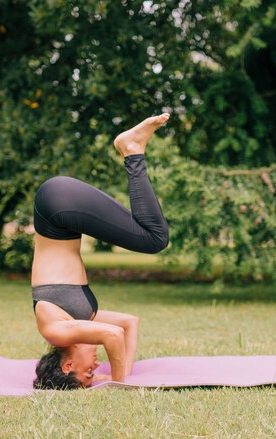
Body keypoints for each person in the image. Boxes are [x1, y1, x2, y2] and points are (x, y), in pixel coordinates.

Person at [31, 113, 171, 389]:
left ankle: (132, 149)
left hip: (57, 209)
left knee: (155, 239)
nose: (96, 368)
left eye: (88, 374)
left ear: (68, 366)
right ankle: (131, 148)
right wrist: (125, 374)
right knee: (154, 237)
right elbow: (128, 325)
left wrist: (118, 385)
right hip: (58, 209)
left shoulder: (56, 331)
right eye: (94, 374)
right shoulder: (78, 320)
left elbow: (113, 337)